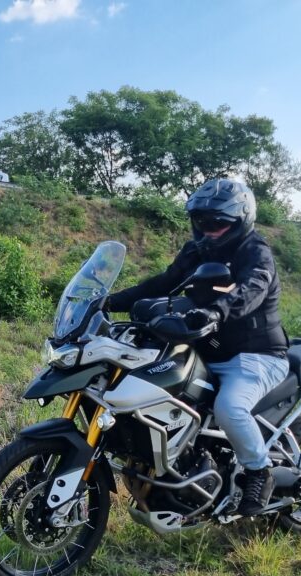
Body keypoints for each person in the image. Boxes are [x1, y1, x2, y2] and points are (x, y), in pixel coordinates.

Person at [106, 179, 289, 516]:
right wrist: (110, 301)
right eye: (202, 221)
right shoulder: (198, 249)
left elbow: (251, 289)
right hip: (207, 348)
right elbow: (164, 282)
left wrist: (216, 310)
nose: (209, 229)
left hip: (255, 355)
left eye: (218, 222)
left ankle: (259, 471)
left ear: (240, 220)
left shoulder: (255, 252)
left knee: (230, 408)